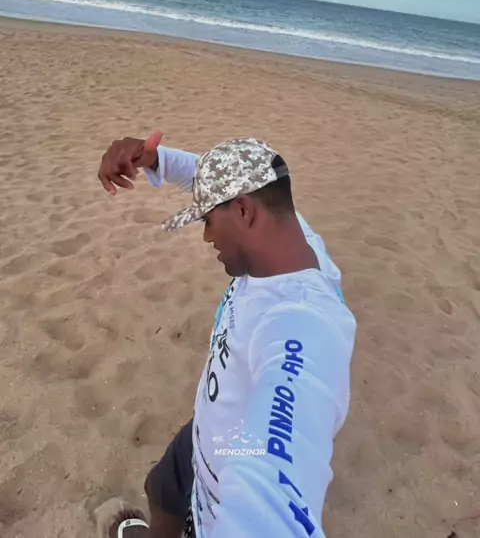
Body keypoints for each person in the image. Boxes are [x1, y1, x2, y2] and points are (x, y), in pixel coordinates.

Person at [97, 132, 356, 538]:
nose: (207, 237)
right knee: (161, 490)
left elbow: (272, 495)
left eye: (207, 221)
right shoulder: (288, 231)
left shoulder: (303, 322)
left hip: (221, 492)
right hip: (206, 430)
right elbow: (214, 175)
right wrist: (154, 159)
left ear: (244, 211)